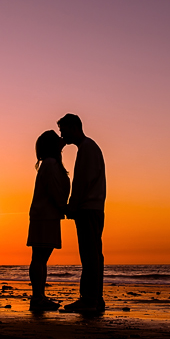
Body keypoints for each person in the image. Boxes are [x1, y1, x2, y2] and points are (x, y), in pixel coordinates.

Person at [57, 114, 106, 313]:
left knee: (89, 254)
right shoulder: (89, 148)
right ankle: (95, 298)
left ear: (73, 128)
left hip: (88, 208)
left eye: (63, 130)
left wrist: (72, 205)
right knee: (94, 253)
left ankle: (89, 299)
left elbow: (82, 182)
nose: (62, 135)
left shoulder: (86, 148)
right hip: (94, 208)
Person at [27, 130, 71, 311]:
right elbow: (54, 189)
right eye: (57, 139)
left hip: (45, 215)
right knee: (39, 257)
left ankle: (39, 297)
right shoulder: (51, 164)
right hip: (45, 216)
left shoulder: (50, 164)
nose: (62, 140)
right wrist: (64, 206)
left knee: (40, 257)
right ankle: (38, 297)